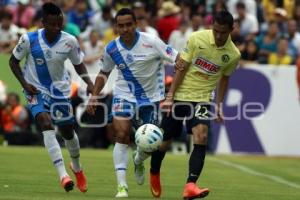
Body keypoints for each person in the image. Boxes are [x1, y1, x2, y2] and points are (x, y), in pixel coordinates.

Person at [134, 10, 241, 199]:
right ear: (211, 26)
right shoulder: (196, 39)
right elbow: (181, 69)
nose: (218, 36)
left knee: (201, 135)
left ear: (232, 30)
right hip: (180, 95)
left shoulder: (233, 54)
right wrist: (170, 97)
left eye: (223, 32)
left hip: (202, 98)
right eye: (215, 30)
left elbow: (224, 79)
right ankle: (154, 171)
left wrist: (219, 105)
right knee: (164, 142)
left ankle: (190, 185)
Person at [86, 8, 178, 198]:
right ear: (116, 27)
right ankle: (122, 186)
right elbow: (104, 73)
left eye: (129, 24)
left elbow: (177, 58)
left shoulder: (151, 42)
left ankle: (138, 160)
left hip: (151, 99)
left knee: (151, 144)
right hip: (123, 95)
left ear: (135, 24)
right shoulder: (111, 48)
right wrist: (94, 95)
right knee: (121, 134)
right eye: (121, 25)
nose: (125, 29)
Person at [8, 2, 93, 193]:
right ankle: (63, 175)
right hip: (35, 89)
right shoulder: (28, 39)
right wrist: (24, 84)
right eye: (52, 24)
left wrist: (90, 83)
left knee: (67, 132)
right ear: (43, 22)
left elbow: (79, 64)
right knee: (45, 123)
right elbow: (13, 61)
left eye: (59, 24)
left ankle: (77, 168)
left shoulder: (69, 40)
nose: (56, 28)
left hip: (60, 91)